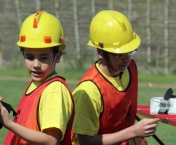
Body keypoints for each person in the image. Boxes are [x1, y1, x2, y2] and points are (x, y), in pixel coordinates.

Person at [71, 10, 160, 145]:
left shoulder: (131, 68)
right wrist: (134, 131)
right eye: (119, 55)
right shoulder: (88, 91)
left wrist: (135, 136)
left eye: (130, 52)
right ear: (100, 52)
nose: (126, 59)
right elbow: (85, 141)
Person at [0, 11, 74, 145]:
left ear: (57, 57)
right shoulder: (37, 83)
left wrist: (8, 123)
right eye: (29, 57)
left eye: (43, 58)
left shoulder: (54, 90)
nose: (36, 65)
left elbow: (51, 140)